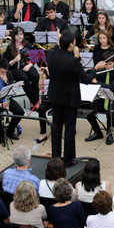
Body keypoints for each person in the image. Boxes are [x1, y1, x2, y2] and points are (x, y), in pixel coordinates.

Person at [47, 31, 86, 166]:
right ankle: (69, 159)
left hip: (55, 96)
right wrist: (95, 69)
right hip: (70, 98)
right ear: (70, 45)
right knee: (69, 128)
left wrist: (60, 41)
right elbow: (85, 78)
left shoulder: (51, 55)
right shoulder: (73, 61)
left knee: (56, 126)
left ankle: (55, 157)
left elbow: (56, 48)